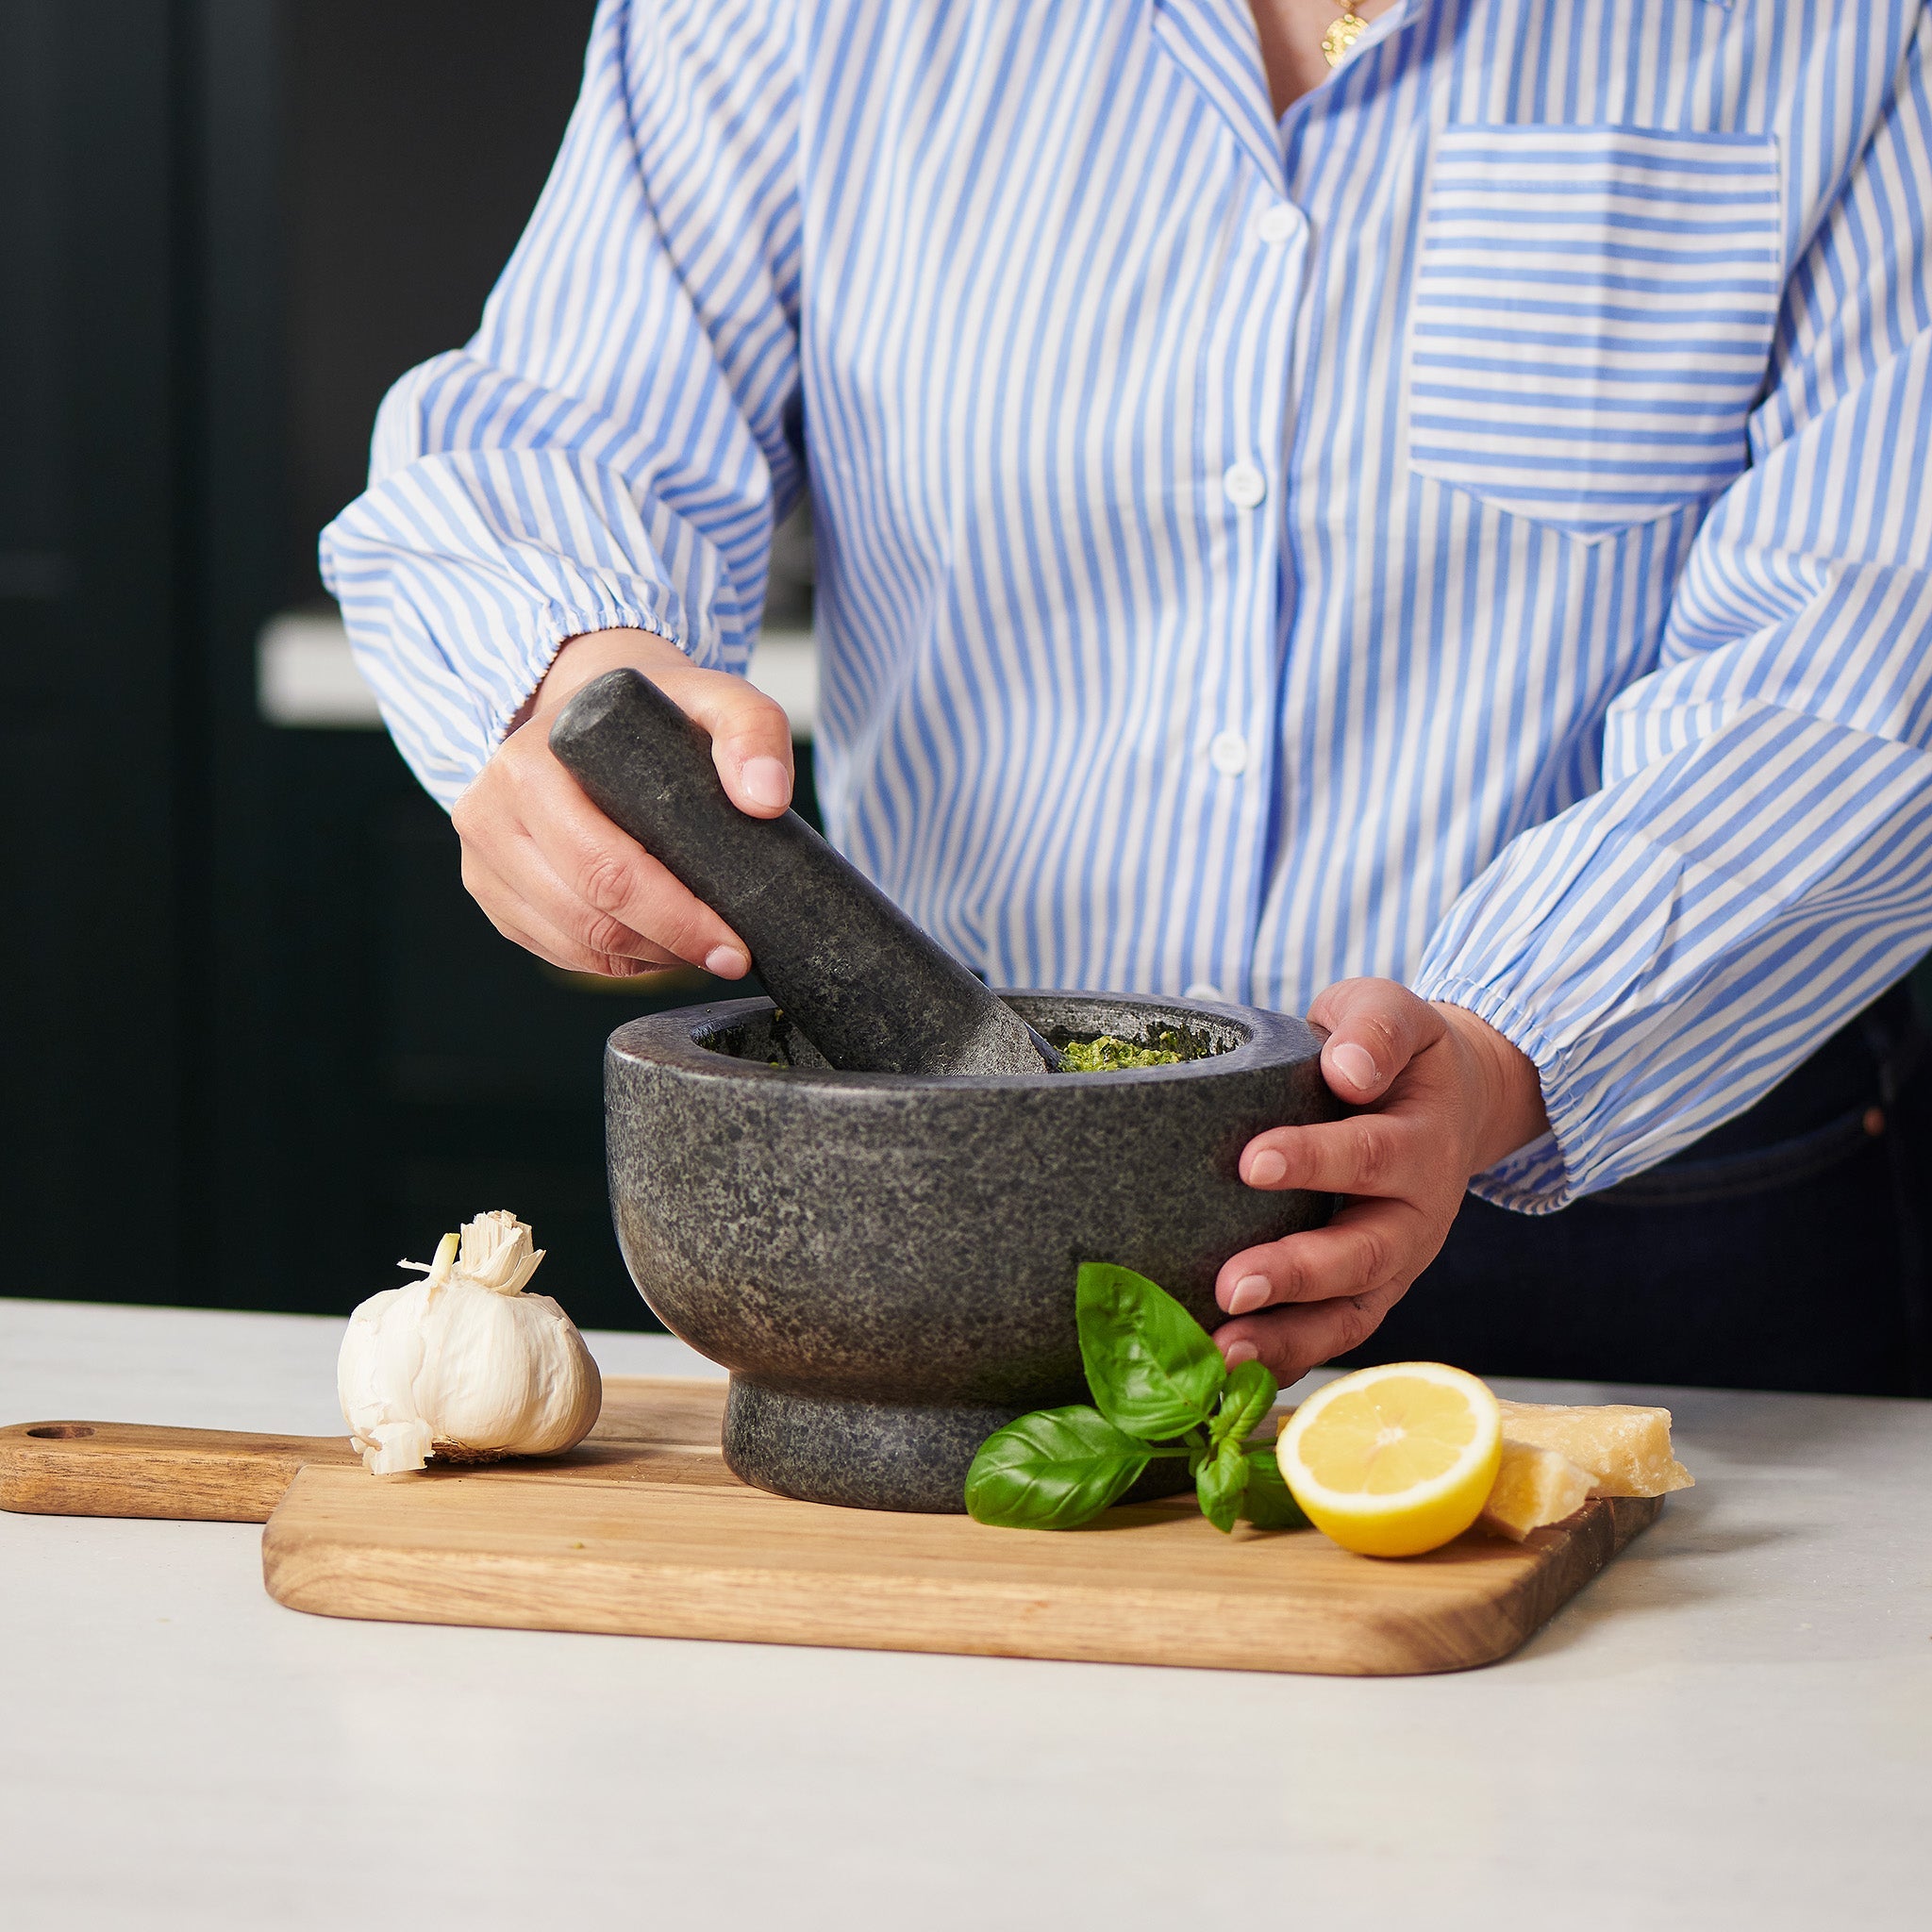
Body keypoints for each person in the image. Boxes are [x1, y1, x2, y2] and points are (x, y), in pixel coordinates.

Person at [323, 0, 1932, 1398]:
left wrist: (1503, 1048)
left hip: (1623, 1215)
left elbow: (1863, 642)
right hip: (956, 1212)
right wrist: (558, 676)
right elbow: (559, 426)